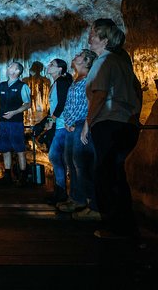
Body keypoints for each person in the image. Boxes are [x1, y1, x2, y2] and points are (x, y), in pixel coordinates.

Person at [82, 19, 143, 240]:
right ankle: (127, 226)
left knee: (106, 176)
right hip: (126, 124)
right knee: (117, 175)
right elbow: (137, 90)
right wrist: (134, 116)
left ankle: (114, 226)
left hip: (108, 123)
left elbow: (99, 96)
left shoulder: (103, 62)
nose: (89, 38)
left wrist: (87, 124)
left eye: (92, 34)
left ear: (104, 40)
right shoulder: (122, 63)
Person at [57, 49, 101, 221]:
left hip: (83, 124)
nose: (74, 57)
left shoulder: (90, 78)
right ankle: (77, 198)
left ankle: (93, 204)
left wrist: (85, 125)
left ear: (87, 62)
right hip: (72, 125)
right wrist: (68, 121)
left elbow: (91, 103)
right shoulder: (76, 80)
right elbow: (70, 104)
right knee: (71, 162)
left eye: (79, 56)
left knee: (82, 164)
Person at [0, 61, 31, 186]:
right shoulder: (2, 86)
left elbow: (27, 104)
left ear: (17, 71)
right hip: (3, 122)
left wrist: (14, 112)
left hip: (15, 122)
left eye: (11, 66)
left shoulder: (22, 86)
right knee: (5, 149)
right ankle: (8, 176)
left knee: (20, 149)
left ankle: (23, 177)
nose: (8, 68)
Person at [44, 59, 73, 205]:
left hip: (63, 126)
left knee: (56, 156)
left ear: (60, 69)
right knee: (58, 158)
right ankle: (60, 191)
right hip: (60, 125)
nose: (48, 66)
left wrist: (52, 119)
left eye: (52, 65)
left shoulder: (61, 82)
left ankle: (63, 192)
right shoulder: (55, 83)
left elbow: (62, 102)